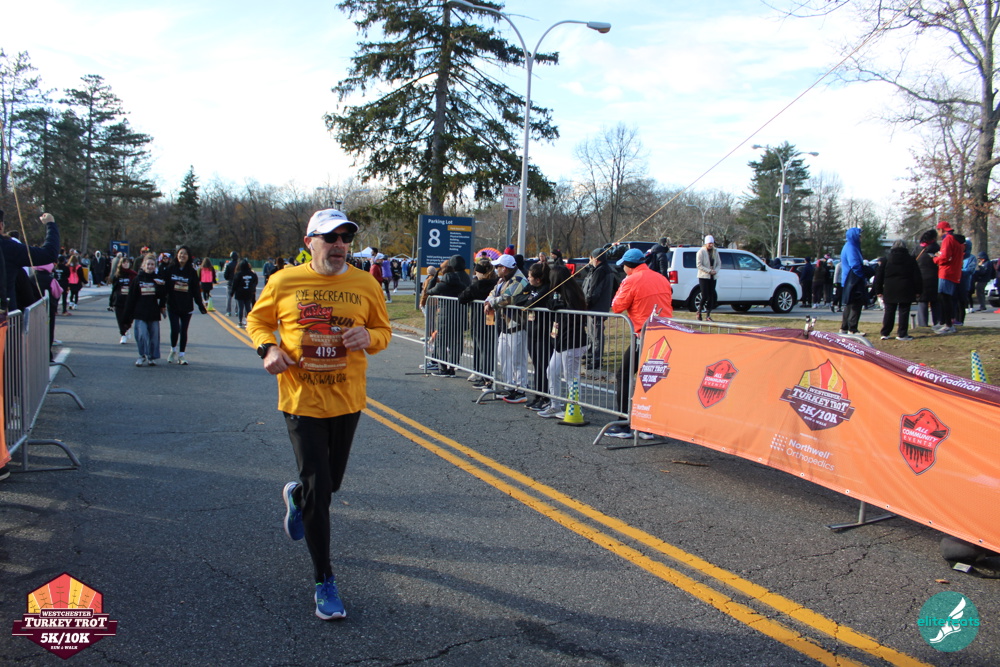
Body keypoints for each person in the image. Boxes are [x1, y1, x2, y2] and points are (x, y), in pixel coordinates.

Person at [247, 208, 391, 621]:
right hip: (301, 399)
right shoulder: (284, 281)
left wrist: (369, 336)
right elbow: (257, 321)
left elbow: (383, 332)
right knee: (320, 490)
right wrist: (268, 349)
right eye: (330, 238)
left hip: (347, 399)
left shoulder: (365, 283)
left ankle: (297, 496)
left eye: (345, 238)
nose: (339, 245)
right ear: (309, 242)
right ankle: (323, 579)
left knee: (330, 485)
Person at [604, 248, 674, 439]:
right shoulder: (661, 278)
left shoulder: (631, 280)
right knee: (650, 380)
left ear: (628, 266)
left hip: (643, 335)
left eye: (623, 266)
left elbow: (617, 306)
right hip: (665, 334)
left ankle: (624, 423)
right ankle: (646, 426)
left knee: (624, 374)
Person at [539, 265, 589, 419]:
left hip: (572, 341)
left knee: (571, 377)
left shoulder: (572, 293)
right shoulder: (558, 293)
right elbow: (550, 304)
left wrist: (558, 306)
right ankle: (555, 405)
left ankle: (574, 407)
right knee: (551, 371)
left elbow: (573, 315)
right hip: (561, 341)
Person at [484, 253, 529, 403]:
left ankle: (521, 389)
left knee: (517, 360)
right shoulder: (502, 280)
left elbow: (506, 298)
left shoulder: (519, 280)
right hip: (505, 324)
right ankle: (508, 386)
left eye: (498, 266)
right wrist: (489, 301)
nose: (496, 269)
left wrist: (491, 302)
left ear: (505, 268)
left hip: (517, 324)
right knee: (503, 356)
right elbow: (492, 293)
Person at [425, 254, 471, 377]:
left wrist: (434, 278)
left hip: (445, 316)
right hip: (459, 315)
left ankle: (443, 368)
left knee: (441, 341)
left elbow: (429, 291)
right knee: (456, 342)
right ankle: (453, 367)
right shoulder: (463, 283)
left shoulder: (442, 285)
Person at [519, 260, 554, 409]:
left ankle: (546, 397)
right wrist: (528, 298)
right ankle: (538, 395)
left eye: (530, 276)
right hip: (531, 330)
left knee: (543, 365)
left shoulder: (546, 289)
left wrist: (528, 300)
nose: (528, 278)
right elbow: (519, 299)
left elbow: (531, 303)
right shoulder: (531, 287)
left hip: (542, 332)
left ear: (538, 279)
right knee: (536, 365)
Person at [458, 260, 498, 389]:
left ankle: (484, 376)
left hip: (479, 319)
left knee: (481, 347)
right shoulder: (497, 283)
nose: (475, 274)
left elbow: (462, 297)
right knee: (488, 348)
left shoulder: (478, 285)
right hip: (492, 319)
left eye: (477, 272)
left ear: (481, 273)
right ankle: (484, 373)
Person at [165, 246, 208, 364]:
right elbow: (165, 287)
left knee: (183, 331)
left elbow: (196, 291)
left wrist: (201, 306)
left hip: (186, 306)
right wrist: (161, 303)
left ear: (188, 257)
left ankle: (181, 355)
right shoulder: (171, 269)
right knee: (175, 329)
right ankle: (173, 350)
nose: (182, 256)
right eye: (180, 253)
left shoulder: (192, 272)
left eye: (185, 254)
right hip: (173, 305)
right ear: (177, 255)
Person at [123, 253, 167, 366]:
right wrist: (127, 316)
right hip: (140, 312)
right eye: (148, 264)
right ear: (143, 265)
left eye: (152, 264)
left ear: (155, 266)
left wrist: (160, 286)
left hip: (153, 312)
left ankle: (151, 357)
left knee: (154, 336)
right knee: (141, 334)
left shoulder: (157, 279)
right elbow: (131, 298)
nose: (150, 266)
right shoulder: (137, 279)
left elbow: (162, 296)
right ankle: (141, 355)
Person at [873, 240, 921, 341]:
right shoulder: (910, 259)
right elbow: (917, 276)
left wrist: (878, 290)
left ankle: (885, 333)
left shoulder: (886, 259)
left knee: (889, 311)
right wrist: (918, 290)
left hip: (890, 288)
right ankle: (902, 334)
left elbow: (879, 276)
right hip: (906, 288)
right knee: (904, 311)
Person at [582, 247, 615, 369]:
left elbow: (594, 291)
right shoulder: (599, 270)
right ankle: (591, 355)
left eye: (591, 258)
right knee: (592, 334)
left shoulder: (601, 271)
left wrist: (587, 304)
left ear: (595, 258)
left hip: (596, 308)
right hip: (596, 308)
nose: (589, 260)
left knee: (596, 335)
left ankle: (596, 359)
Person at [932, 220, 962, 334]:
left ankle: (948, 325)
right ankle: (946, 323)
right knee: (947, 298)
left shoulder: (948, 239)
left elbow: (945, 257)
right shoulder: (957, 240)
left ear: (941, 230)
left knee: (944, 298)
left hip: (946, 272)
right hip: (954, 271)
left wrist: (935, 259)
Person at [838, 228, 868, 335]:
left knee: (849, 305)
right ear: (855, 236)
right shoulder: (851, 247)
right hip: (853, 281)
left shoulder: (849, 246)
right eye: (859, 235)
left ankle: (844, 328)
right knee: (856, 304)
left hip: (848, 280)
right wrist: (863, 275)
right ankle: (852, 329)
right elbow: (855, 265)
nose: (861, 238)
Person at [915, 229, 940, 328]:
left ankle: (922, 323)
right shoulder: (936, 248)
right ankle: (937, 322)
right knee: (935, 302)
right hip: (934, 277)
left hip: (920, 277)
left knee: (922, 301)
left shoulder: (918, 248)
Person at [109, 257, 137, 344]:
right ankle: (123, 334)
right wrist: (111, 301)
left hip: (129, 300)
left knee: (129, 318)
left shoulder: (133, 275)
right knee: (120, 318)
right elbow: (114, 289)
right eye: (124, 262)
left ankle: (127, 328)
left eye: (127, 262)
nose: (126, 264)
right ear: (120, 264)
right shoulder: (117, 276)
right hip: (119, 300)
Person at [695, 235, 721, 321]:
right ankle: (699, 311)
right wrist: (709, 271)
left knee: (711, 296)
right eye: (709, 243)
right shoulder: (701, 252)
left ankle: (708, 315)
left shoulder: (715, 251)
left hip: (713, 276)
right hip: (704, 276)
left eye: (712, 243)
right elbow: (699, 265)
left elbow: (719, 263)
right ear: (706, 243)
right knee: (705, 295)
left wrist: (715, 271)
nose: (711, 245)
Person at [233, 259, 259, 328]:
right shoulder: (252, 274)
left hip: (240, 293)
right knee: (248, 308)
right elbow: (255, 281)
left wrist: (232, 292)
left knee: (240, 308)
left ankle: (240, 322)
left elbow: (235, 284)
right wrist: (252, 288)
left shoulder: (239, 274)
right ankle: (249, 322)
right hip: (249, 292)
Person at [223, 250, 239, 316]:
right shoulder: (239, 264)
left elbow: (225, 275)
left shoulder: (228, 264)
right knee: (237, 297)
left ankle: (228, 311)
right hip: (238, 282)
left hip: (230, 282)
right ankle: (237, 311)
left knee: (229, 297)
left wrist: (228, 278)